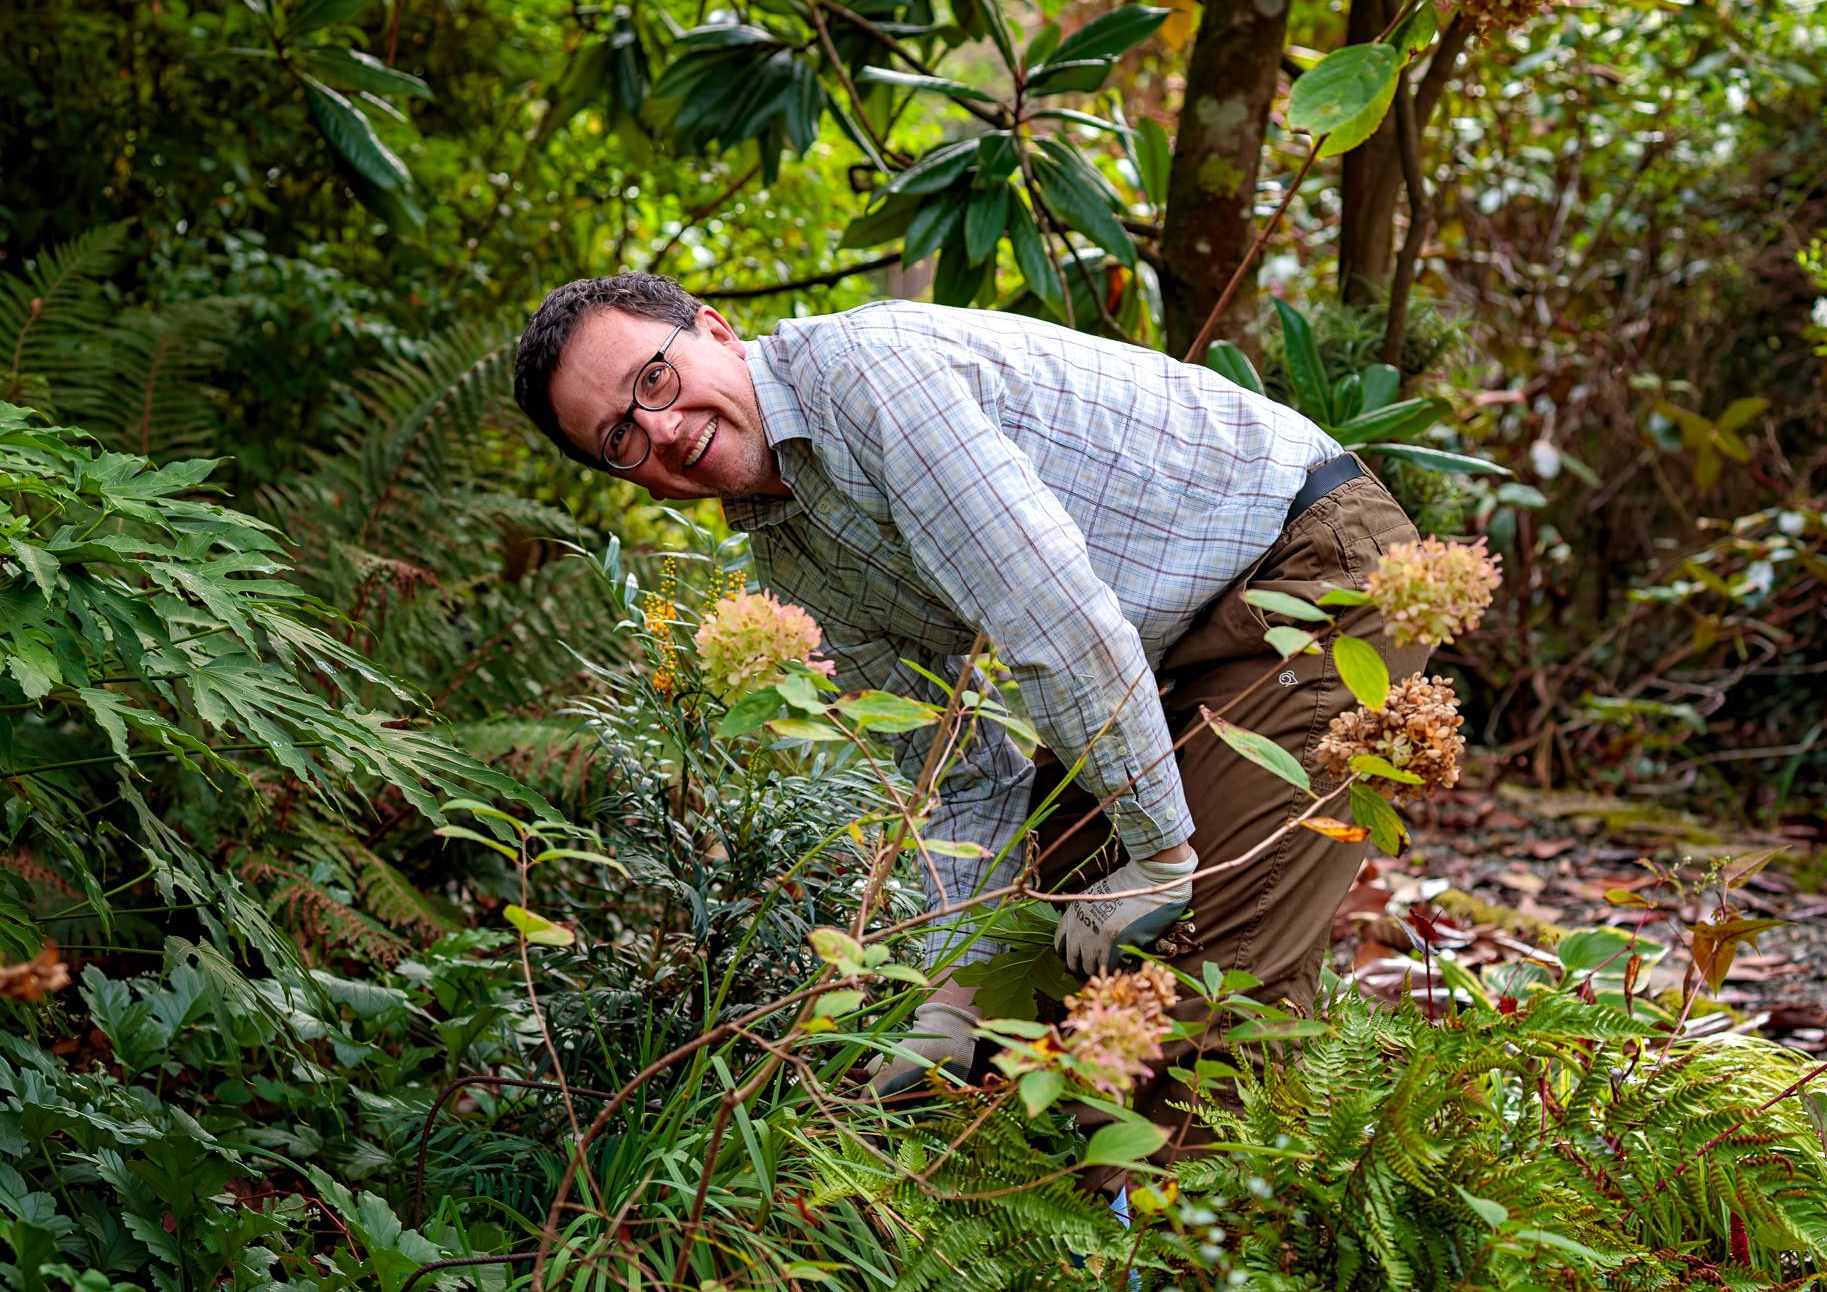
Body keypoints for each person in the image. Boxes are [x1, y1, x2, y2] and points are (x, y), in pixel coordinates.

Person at [511, 274, 1428, 1157]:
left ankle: (1208, 1246)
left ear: (713, 328)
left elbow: (1055, 620)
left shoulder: (867, 378)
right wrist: (951, 1001)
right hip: (1164, 649)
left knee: (1204, 993)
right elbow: (952, 774)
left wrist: (1160, 857)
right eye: (620, 437)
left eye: (655, 380)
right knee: (1038, 949)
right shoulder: (788, 553)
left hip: (1307, 572)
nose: (662, 430)